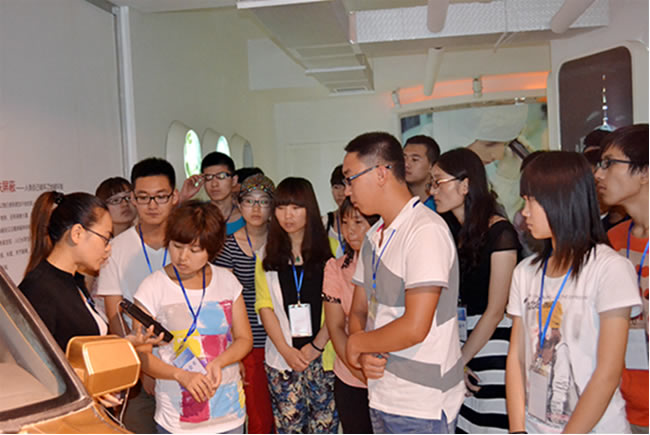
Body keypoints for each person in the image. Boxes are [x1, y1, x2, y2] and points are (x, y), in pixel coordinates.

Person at [506, 151, 641, 433]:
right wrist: (518, 429)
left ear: (561, 200)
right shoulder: (525, 272)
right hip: (534, 425)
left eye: (531, 201)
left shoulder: (609, 268)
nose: (524, 212)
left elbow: (608, 373)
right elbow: (516, 359)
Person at [342, 132, 465, 434]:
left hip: (422, 402)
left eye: (351, 178)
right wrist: (363, 351)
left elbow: (415, 326)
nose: (347, 191)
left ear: (381, 173)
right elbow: (359, 310)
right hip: (382, 394)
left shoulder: (424, 231)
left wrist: (357, 344)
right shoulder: (373, 237)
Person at [132, 201, 252, 434]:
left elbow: (244, 339)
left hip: (228, 412)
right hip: (177, 420)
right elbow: (142, 355)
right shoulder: (152, 288)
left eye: (195, 250)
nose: (183, 257)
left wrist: (220, 362)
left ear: (212, 249)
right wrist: (181, 375)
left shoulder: (227, 282)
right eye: (177, 246)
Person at [429, 148, 519, 433]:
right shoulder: (451, 232)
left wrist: (458, 361)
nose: (432, 191)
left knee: (492, 424)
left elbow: (495, 311)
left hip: (494, 342)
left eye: (438, 182)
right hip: (461, 341)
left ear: (465, 185)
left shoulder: (501, 233)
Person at [97, 157, 179, 434]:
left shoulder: (188, 243)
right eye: (143, 197)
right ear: (133, 198)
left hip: (187, 360)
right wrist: (142, 367)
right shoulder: (116, 248)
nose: (152, 205)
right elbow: (114, 314)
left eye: (160, 196)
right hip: (138, 370)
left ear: (174, 196)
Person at [255, 177, 338, 434]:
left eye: (295, 207)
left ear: (309, 209)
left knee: (325, 427)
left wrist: (316, 346)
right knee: (289, 428)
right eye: (281, 208)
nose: (287, 215)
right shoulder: (266, 253)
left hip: (323, 357)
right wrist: (286, 351)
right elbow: (264, 307)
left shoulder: (332, 250)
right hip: (283, 359)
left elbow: (338, 306)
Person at [594, 124, 649, 434]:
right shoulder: (610, 242)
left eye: (609, 163)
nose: (599, 174)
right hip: (618, 407)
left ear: (645, 172)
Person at [213, 174, 276, 434]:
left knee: (284, 413)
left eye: (263, 201)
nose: (256, 208)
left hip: (280, 338)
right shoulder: (228, 246)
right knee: (258, 414)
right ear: (239, 205)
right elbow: (222, 301)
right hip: (248, 340)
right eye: (249, 201)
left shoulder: (281, 241)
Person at [322, 197, 379, 433]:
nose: (350, 231)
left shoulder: (390, 265)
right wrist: (359, 372)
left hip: (391, 376)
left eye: (358, 222)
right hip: (350, 375)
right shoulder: (335, 268)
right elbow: (335, 326)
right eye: (344, 223)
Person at [180, 152, 244, 235]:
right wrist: (183, 197)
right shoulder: (196, 215)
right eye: (208, 177)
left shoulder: (247, 217)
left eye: (221, 176)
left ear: (234, 180)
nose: (214, 184)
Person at [404, 134, 440, 211]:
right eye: (403, 158)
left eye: (414, 160)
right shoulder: (396, 201)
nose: (406, 164)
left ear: (432, 166)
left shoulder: (440, 205)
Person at [323, 164, 346, 258]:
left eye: (344, 187)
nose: (340, 193)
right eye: (336, 187)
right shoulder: (325, 222)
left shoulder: (365, 220)